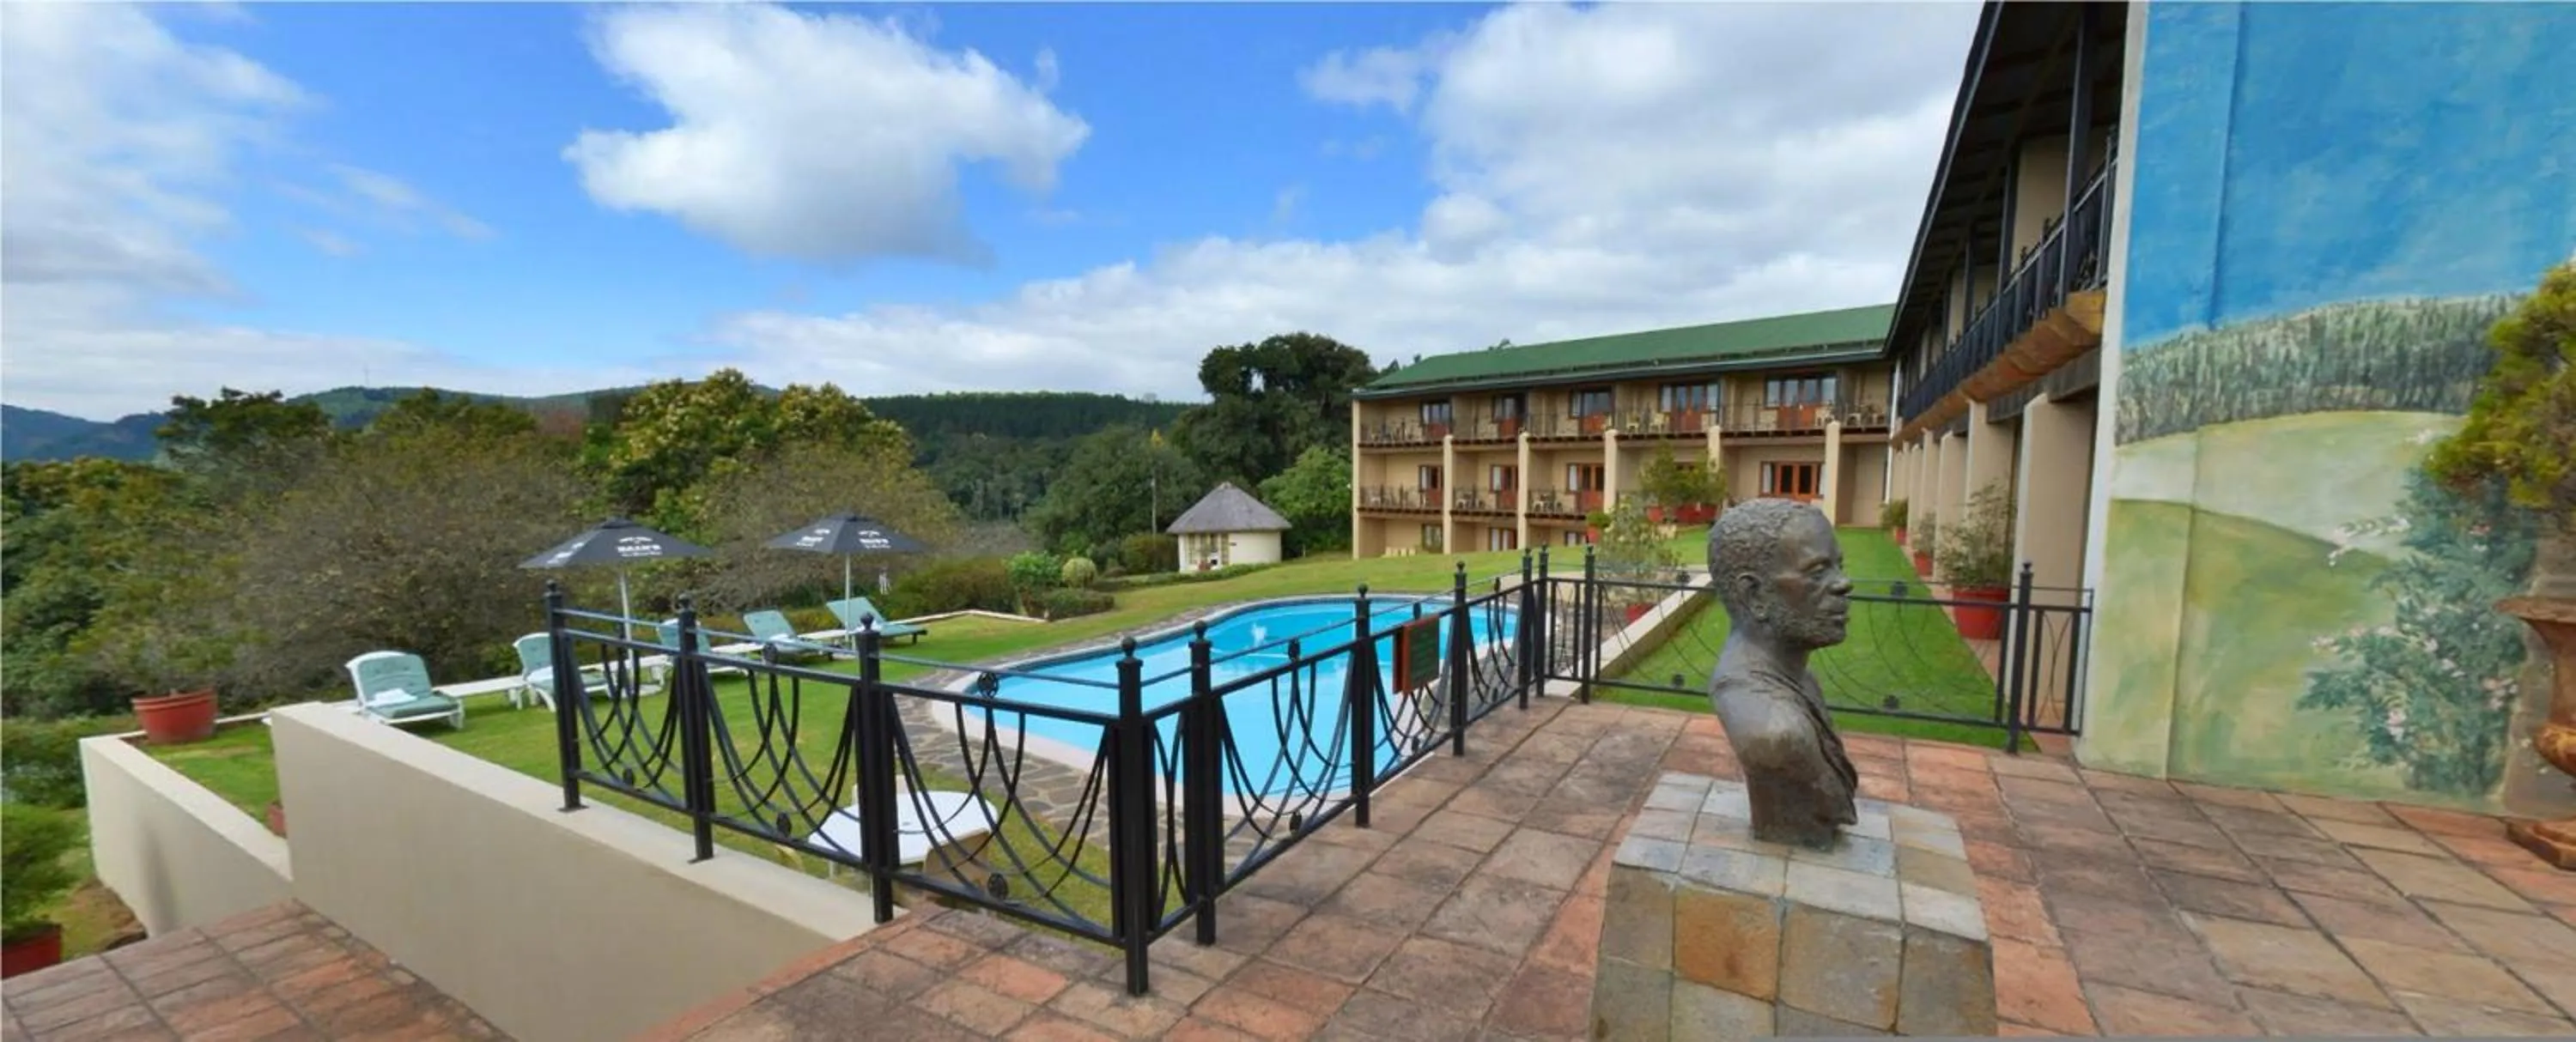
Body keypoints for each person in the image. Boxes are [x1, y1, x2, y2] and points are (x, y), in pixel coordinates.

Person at [1704, 499, 1861, 848]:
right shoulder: (1775, 732)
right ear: (1755, 595)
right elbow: (1781, 741)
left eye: (1839, 566)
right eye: (1818, 571)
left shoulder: (1799, 679)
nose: (1844, 583)